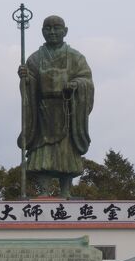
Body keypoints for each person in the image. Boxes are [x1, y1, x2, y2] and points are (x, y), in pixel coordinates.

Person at [18, 15, 94, 198]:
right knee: (42, 152)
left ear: (65, 31)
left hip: (67, 110)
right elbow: (30, 86)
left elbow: (86, 80)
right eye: (48, 28)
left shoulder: (76, 57)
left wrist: (77, 85)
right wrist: (25, 78)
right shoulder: (35, 59)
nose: (52, 32)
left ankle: (66, 190)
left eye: (56, 28)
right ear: (43, 32)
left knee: (66, 153)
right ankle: (43, 191)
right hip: (43, 112)